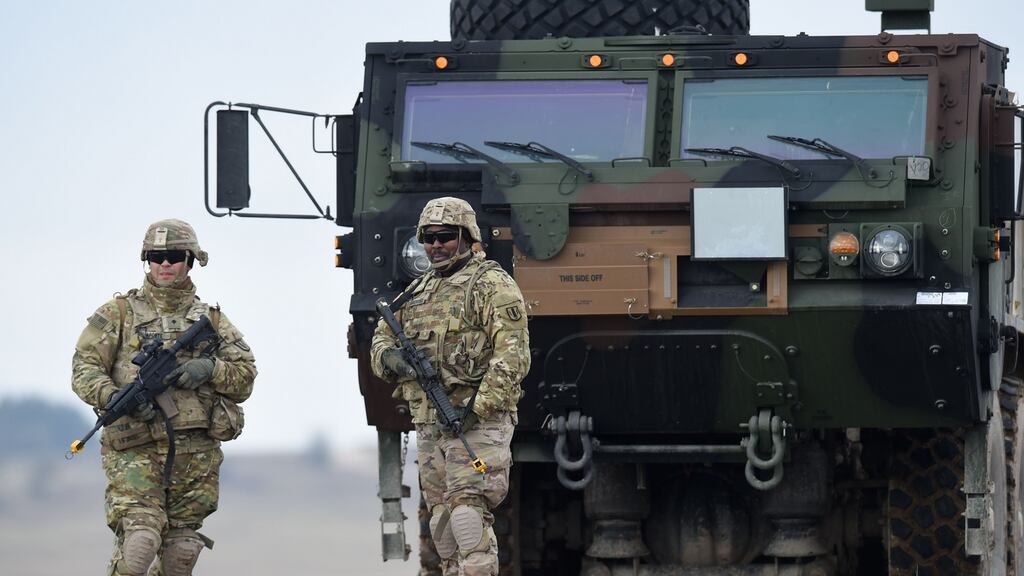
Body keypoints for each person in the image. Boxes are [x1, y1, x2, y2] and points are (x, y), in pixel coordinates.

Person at [71, 219, 256, 576]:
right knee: (140, 542)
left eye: (174, 255)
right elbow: (84, 368)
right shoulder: (118, 314)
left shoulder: (212, 321)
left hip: (195, 453)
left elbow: (245, 377)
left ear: (191, 259)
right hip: (135, 449)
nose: (165, 264)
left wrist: (210, 369)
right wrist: (113, 395)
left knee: (182, 552)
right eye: (156, 256)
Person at [371, 197, 531, 576]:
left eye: (445, 236)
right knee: (442, 528)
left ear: (467, 237)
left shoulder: (490, 284)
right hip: (430, 425)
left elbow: (513, 357)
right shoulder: (417, 291)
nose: (435, 245)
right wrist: (395, 360)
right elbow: (381, 342)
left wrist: (475, 408)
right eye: (428, 237)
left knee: (467, 518)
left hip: (476, 424)